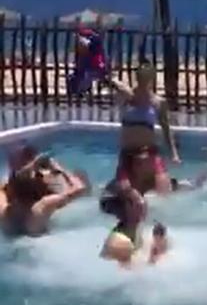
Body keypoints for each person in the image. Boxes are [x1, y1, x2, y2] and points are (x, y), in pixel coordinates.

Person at [106, 64, 180, 195]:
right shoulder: (126, 95)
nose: (143, 81)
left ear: (152, 79)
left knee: (163, 192)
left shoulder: (158, 102)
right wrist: (110, 75)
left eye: (146, 78)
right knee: (123, 192)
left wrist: (174, 154)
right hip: (128, 154)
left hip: (149, 153)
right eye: (141, 77)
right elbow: (111, 81)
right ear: (137, 78)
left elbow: (166, 129)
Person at [1, 152, 90, 237]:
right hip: (42, 242)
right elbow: (80, 188)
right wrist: (60, 169)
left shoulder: (3, 209)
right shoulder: (42, 206)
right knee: (80, 174)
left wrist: (18, 175)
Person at [99, 182, 151, 267]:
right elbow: (132, 274)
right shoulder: (119, 243)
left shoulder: (134, 231)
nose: (143, 204)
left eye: (142, 199)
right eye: (138, 201)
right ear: (125, 207)